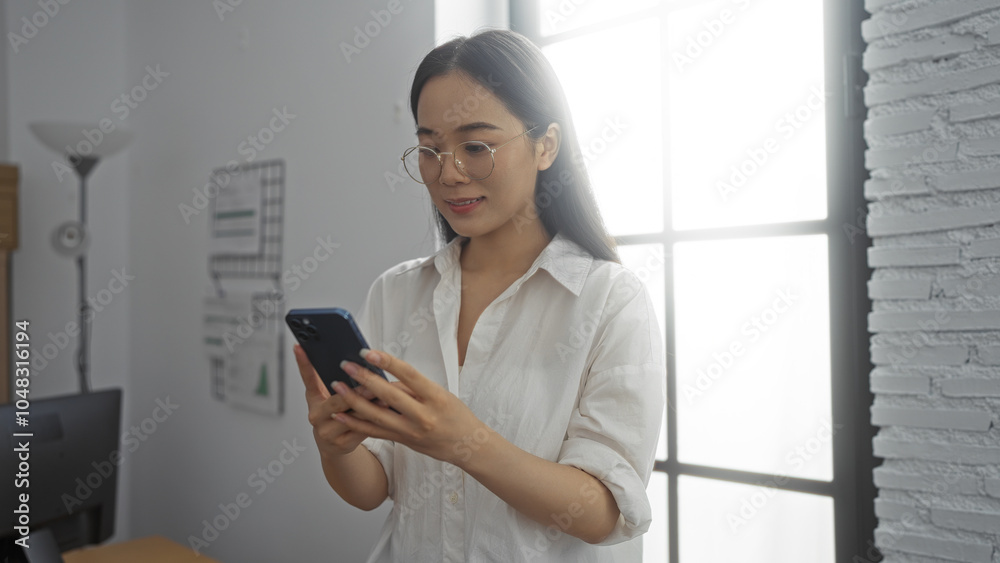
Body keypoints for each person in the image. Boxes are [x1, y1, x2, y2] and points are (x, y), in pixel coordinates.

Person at [293, 28, 665, 563]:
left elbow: (604, 511)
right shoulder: (397, 292)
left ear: (546, 146)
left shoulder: (609, 301)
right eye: (429, 149)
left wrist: (464, 441)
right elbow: (374, 490)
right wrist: (336, 447)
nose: (448, 172)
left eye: (475, 145)